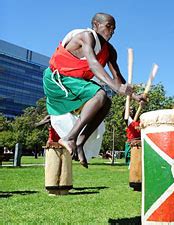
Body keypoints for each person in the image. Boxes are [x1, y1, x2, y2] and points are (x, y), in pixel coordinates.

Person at [43, 13, 145, 168]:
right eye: (108, 26)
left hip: (76, 82)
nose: (111, 32)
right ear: (96, 25)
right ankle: (70, 137)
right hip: (58, 80)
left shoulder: (110, 51)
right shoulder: (85, 36)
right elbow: (93, 64)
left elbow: (117, 77)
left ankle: (80, 141)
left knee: (106, 103)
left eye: (114, 29)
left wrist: (135, 96)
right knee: (100, 94)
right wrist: (116, 87)